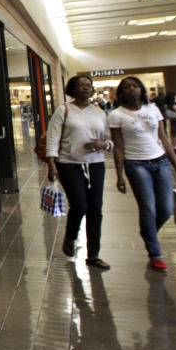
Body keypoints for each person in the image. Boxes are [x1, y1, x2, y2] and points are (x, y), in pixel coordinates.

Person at [109, 76, 176, 272]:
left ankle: (147, 231)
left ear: (142, 90)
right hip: (136, 164)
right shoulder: (116, 115)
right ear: (121, 93)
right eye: (127, 87)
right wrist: (119, 175)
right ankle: (155, 254)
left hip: (160, 161)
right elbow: (118, 147)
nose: (132, 89)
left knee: (166, 208)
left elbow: (164, 138)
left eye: (135, 86)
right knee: (148, 209)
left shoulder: (153, 109)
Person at [46, 75, 113, 269]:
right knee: (80, 205)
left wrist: (104, 144)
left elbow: (111, 140)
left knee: (96, 209)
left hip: (96, 164)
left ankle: (94, 254)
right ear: (73, 89)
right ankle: (71, 235)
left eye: (89, 86)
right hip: (69, 163)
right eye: (81, 85)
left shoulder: (100, 113)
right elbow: (52, 138)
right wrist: (52, 165)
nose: (86, 88)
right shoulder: (64, 110)